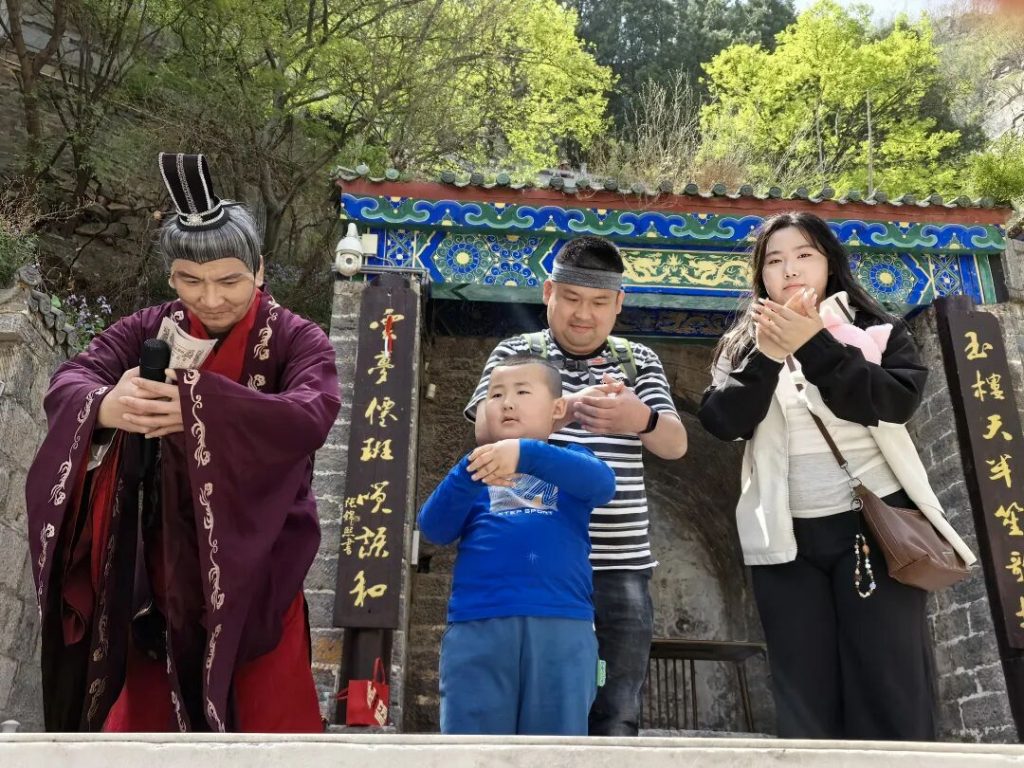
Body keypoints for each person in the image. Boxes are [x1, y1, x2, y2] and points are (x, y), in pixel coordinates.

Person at [25, 153, 340, 732]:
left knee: (266, 730)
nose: (211, 299)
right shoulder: (148, 328)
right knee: (145, 733)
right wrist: (107, 406)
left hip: (255, 564)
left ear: (259, 270)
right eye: (190, 280)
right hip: (155, 564)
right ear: (171, 277)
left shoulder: (297, 339)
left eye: (229, 280)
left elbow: (311, 413)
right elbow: (70, 381)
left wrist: (200, 408)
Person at [697, 211, 975, 740]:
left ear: (829, 263)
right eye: (774, 260)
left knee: (887, 681)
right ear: (760, 275)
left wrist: (813, 343)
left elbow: (891, 403)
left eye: (804, 255)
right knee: (805, 692)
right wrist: (768, 355)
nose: (790, 269)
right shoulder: (741, 345)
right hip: (786, 538)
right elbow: (723, 422)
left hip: (875, 529)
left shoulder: (876, 329)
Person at [464, 236, 687, 736]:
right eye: (571, 298)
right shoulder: (516, 353)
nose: (584, 314)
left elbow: (676, 444)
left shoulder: (638, 361)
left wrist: (641, 419)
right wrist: (560, 408)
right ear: (549, 293)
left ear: (618, 303)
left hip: (620, 564)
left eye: (599, 302)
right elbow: (484, 431)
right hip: (534, 559)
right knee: (535, 709)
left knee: (616, 709)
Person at [419, 354, 616, 734]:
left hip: (562, 623)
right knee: (473, 749)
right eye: (495, 395)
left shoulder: (572, 460)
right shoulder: (474, 471)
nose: (507, 403)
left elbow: (602, 485)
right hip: (477, 624)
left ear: (557, 409)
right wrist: (470, 470)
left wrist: (526, 452)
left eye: (522, 392)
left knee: (555, 749)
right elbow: (434, 528)